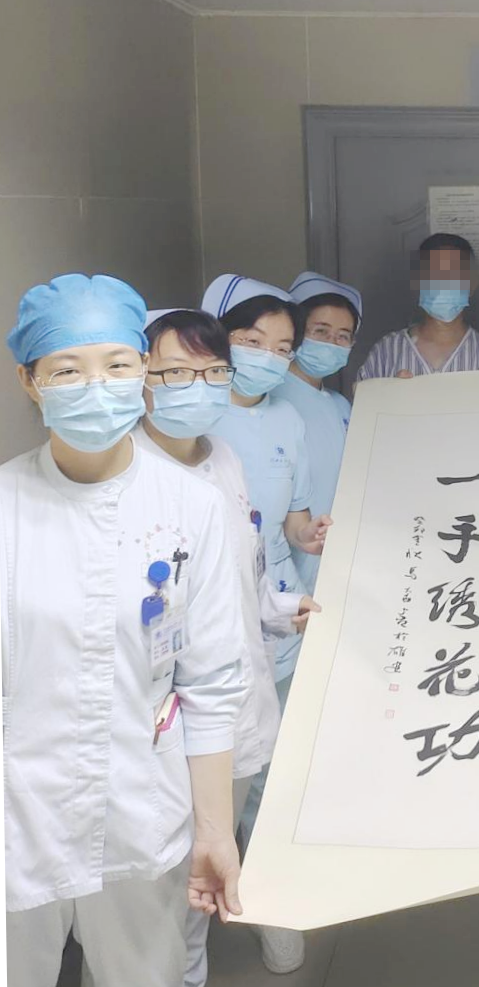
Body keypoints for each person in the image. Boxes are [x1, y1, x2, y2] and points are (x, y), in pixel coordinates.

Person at [2, 275, 244, 986]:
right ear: (29, 381)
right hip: (18, 815)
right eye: (67, 370)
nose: (96, 387)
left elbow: (212, 683)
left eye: (116, 364)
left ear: (143, 370)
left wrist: (215, 830)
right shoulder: (6, 506)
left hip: (142, 810)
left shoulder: (191, 506)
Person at [132, 308, 321, 987]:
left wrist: (280, 608)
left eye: (213, 372)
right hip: (159, 725)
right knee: (161, 900)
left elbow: (242, 571)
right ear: (140, 376)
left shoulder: (224, 458)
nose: (199, 386)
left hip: (236, 707)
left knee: (209, 876)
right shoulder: (128, 472)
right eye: (177, 372)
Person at [200, 273, 332, 974]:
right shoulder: (188, 414)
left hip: (277, 611)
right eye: (253, 340)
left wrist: (314, 537)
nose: (269, 358)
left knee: (274, 768)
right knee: (211, 768)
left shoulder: (288, 420)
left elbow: (295, 523)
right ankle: (200, 900)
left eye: (283, 347)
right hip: (203, 616)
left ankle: (271, 902)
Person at [279, 272, 359, 595]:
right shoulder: (272, 397)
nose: (331, 343)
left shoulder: (341, 405)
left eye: (343, 336)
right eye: (321, 331)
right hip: (289, 568)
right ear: (297, 333)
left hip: (337, 565)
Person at [356, 233, 479, 380]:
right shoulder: (386, 352)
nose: (444, 283)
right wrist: (390, 391)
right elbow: (364, 397)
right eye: (434, 274)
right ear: (417, 282)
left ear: (473, 284)